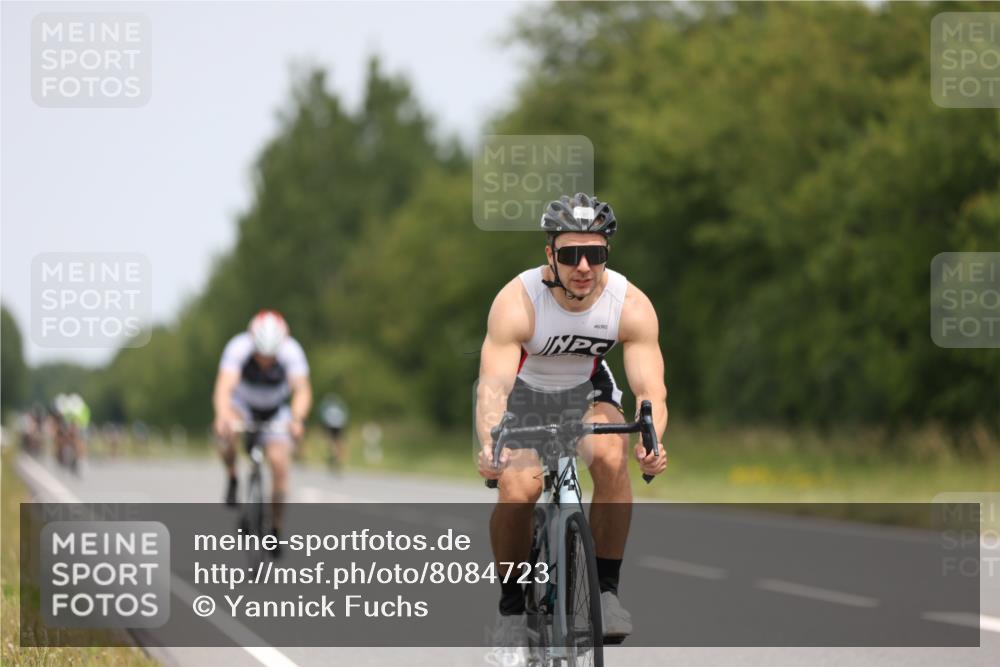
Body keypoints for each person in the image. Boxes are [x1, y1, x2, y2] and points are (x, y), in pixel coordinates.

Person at [476, 193, 668, 660]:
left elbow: (650, 391)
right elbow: (494, 387)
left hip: (586, 393)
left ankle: (605, 592)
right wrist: (490, 444)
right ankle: (511, 615)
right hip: (524, 397)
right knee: (519, 489)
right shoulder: (518, 300)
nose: (583, 266)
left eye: (595, 253)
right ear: (550, 256)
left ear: (607, 253)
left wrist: (652, 440)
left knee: (609, 455)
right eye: (569, 254)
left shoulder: (630, 304)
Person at [213, 310, 312, 544]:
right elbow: (224, 387)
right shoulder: (238, 348)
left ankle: (276, 527)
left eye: (271, 356)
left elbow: (302, 390)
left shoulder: (292, 351)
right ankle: (232, 476)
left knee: (279, 464)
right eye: (260, 355)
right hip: (243, 405)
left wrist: (297, 419)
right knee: (226, 434)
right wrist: (222, 415)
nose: (265, 361)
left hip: (275, 409)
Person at [319, 394, 350, 470]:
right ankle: (338, 457)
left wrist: (322, 427)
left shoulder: (326, 407)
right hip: (340, 424)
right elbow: (346, 415)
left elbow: (322, 416)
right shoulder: (340, 407)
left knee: (331, 440)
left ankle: (333, 453)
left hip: (330, 424)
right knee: (339, 441)